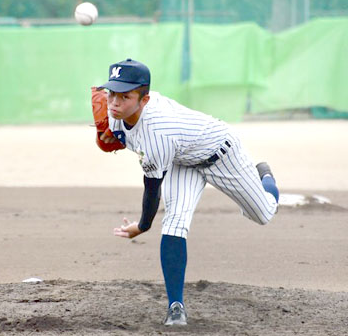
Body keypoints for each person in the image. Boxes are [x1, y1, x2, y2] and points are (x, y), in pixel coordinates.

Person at [98, 58, 279, 326]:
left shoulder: (157, 133)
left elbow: (152, 189)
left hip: (223, 153)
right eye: (111, 92)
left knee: (263, 213)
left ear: (144, 100)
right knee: (174, 222)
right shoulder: (116, 114)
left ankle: (265, 178)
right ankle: (176, 306)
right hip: (183, 160)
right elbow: (120, 134)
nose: (114, 102)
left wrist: (143, 226)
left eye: (125, 96)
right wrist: (109, 136)